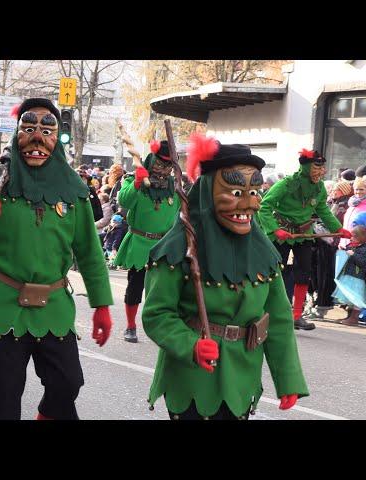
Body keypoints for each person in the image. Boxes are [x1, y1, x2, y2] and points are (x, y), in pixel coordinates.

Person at [0, 98, 113, 420]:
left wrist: (101, 306)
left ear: (57, 137)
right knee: (5, 398)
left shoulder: (74, 188)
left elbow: (89, 252)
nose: (38, 138)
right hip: (2, 304)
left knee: (68, 383)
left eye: (47, 131)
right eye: (29, 128)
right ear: (16, 134)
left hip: (54, 306)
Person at [143, 134, 308, 420]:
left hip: (243, 376)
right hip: (192, 379)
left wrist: (288, 379)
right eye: (235, 193)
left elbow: (279, 319)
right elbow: (157, 314)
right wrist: (189, 344)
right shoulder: (176, 249)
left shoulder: (264, 254)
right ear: (207, 191)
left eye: (255, 192)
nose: (249, 204)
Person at [258, 148, 351, 330]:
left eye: (322, 167)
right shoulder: (285, 184)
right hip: (282, 234)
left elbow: (323, 210)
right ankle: (271, 312)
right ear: (307, 167)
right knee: (277, 273)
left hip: (304, 235)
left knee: (304, 274)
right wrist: (275, 229)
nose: (321, 171)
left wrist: (338, 228)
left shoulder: (319, 187)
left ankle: (296, 315)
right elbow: (264, 207)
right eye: (317, 167)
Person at [113, 141, 180, 343]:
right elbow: (123, 201)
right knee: (135, 286)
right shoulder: (133, 179)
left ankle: (162, 328)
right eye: (160, 164)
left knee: (166, 291)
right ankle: (131, 326)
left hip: (164, 246)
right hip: (140, 244)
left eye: (168, 165)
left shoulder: (174, 187)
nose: (164, 169)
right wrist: (136, 184)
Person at [333, 217, 366, 327]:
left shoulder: (364, 248)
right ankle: (349, 316)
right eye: (352, 236)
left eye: (355, 236)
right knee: (349, 298)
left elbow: (362, 262)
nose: (352, 238)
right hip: (350, 275)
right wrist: (345, 250)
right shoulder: (354, 246)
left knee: (355, 298)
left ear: (363, 237)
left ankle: (354, 318)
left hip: (358, 278)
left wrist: (353, 255)